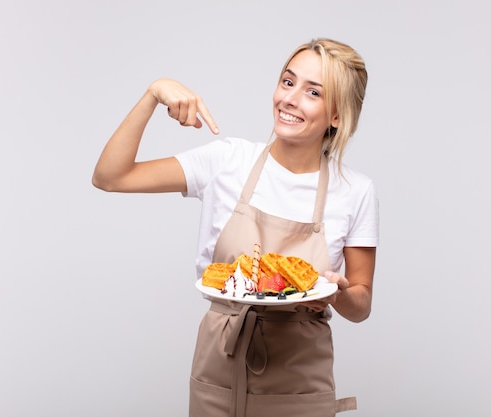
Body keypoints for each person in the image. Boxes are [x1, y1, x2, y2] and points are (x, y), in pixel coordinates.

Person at [92, 38, 379, 417]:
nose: (290, 99)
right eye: (288, 82)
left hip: (300, 381)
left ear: (338, 116)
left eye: (313, 92)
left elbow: (360, 304)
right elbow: (111, 177)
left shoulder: (355, 191)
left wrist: (338, 293)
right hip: (219, 371)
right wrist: (152, 94)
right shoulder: (227, 161)